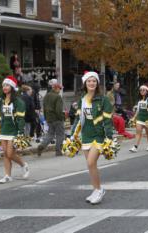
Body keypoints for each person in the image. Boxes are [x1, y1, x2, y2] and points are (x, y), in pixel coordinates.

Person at [70, 71, 114, 204]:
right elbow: (78, 118)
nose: (91, 83)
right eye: (89, 81)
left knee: (90, 162)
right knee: (91, 165)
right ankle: (95, 189)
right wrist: (73, 134)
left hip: (98, 135)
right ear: (85, 83)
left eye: (94, 81)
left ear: (97, 83)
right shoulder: (82, 99)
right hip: (86, 135)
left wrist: (109, 137)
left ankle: (100, 190)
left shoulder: (103, 99)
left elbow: (107, 120)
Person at [0, 76, 29, 184]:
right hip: (4, 130)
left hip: (14, 131)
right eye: (4, 85)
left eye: (7, 85)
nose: (5, 87)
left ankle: (24, 165)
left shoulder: (18, 102)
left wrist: (20, 132)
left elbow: (20, 119)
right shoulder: (1, 101)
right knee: (5, 154)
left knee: (10, 154)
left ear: (12, 87)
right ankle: (7, 176)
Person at [37, 79, 65, 156]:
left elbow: (44, 108)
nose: (60, 90)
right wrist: (62, 117)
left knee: (50, 134)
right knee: (60, 135)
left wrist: (46, 118)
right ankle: (58, 151)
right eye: (60, 88)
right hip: (57, 119)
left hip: (49, 118)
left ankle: (42, 146)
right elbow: (58, 110)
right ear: (56, 88)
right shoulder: (58, 97)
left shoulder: (46, 96)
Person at [129, 85, 148, 153]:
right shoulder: (139, 99)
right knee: (138, 132)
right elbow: (138, 110)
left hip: (147, 119)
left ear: (147, 91)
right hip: (140, 118)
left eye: (143, 90)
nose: (142, 91)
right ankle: (135, 146)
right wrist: (134, 117)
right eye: (141, 90)